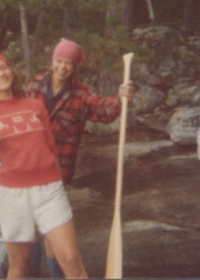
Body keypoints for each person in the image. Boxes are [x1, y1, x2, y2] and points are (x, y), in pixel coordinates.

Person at [0, 53, 89, 279]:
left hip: (49, 191)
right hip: (12, 197)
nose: (0, 74)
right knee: (20, 267)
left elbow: (51, 151)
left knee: (71, 261)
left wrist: (59, 185)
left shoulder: (35, 105)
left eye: (3, 68)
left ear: (11, 72)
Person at [27, 37, 134, 277]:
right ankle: (31, 273)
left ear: (74, 67)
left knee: (52, 233)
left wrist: (120, 98)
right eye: (59, 60)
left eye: (68, 63)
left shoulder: (80, 94)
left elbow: (103, 110)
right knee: (30, 228)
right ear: (52, 60)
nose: (62, 67)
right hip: (30, 167)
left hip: (57, 172)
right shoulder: (34, 86)